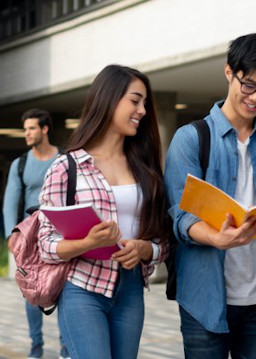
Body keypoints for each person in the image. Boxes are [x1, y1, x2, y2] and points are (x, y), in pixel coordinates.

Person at [164, 33, 256, 359]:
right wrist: (219, 239)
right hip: (204, 298)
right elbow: (180, 216)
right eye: (249, 85)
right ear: (229, 72)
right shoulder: (190, 140)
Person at [37, 64, 169, 359]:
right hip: (82, 288)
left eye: (145, 103)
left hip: (131, 290)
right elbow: (45, 244)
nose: (143, 110)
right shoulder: (67, 167)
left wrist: (145, 249)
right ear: (109, 99)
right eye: (135, 100)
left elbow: (164, 240)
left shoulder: (145, 168)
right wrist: (88, 243)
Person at [2, 109, 70, 359]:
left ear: (44, 129)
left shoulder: (64, 159)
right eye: (25, 129)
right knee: (32, 292)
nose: (27, 134)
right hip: (30, 238)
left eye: (31, 128)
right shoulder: (20, 165)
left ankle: (66, 346)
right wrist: (12, 234)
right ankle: (36, 346)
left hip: (61, 235)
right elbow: (10, 200)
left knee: (64, 289)